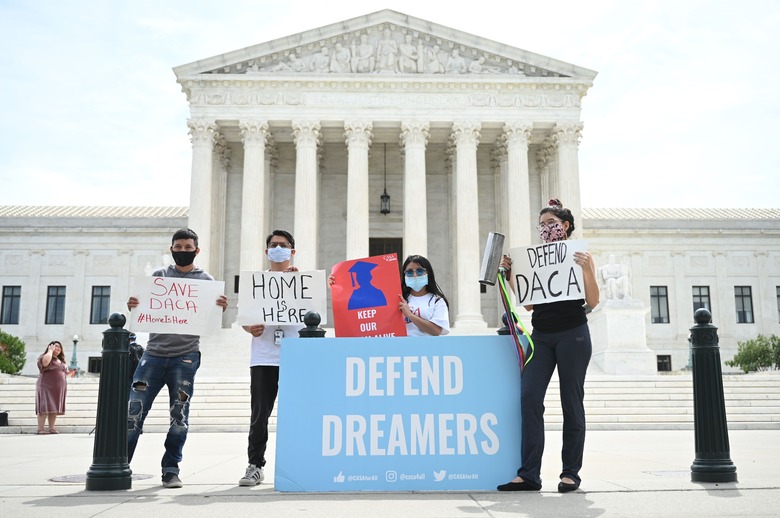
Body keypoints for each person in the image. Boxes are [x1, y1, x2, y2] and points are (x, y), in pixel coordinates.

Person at [497, 198, 599, 493]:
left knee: (571, 403)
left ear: (565, 226)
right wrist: (512, 274)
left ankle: (570, 473)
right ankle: (529, 474)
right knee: (529, 399)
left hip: (574, 334)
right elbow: (529, 304)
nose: (545, 229)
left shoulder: (581, 255)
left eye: (550, 224)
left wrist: (587, 270)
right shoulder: (536, 257)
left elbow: (593, 301)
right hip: (541, 336)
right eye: (541, 225)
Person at [126, 228, 228, 489]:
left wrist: (219, 308)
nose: (183, 251)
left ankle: (171, 469)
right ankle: (121, 464)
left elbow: (209, 319)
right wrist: (135, 306)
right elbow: (145, 307)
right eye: (178, 247)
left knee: (179, 418)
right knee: (133, 413)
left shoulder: (206, 280)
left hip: (185, 358)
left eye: (187, 247)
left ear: (197, 249)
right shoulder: (159, 277)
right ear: (171, 249)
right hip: (153, 355)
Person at [238, 229, 305, 486]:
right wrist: (249, 327)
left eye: (284, 245)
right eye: (274, 245)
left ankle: (299, 463)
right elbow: (245, 318)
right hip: (264, 357)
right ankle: (255, 465)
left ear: (293, 251)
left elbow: (315, 316)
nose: (279, 249)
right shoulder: (256, 283)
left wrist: (302, 285)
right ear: (267, 251)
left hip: (295, 355)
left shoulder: (302, 281)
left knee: (298, 414)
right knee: (259, 416)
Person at [398, 255, 450, 336]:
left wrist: (410, 315)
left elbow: (436, 330)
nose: (415, 275)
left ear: (428, 273)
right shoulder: (399, 299)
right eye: (410, 272)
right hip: (402, 347)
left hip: (427, 347)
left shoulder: (437, 301)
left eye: (419, 271)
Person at [35, 340, 68, 434]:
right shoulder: (45, 356)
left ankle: (51, 428)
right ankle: (41, 429)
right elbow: (45, 363)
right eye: (56, 346)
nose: (58, 348)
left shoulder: (60, 360)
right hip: (46, 386)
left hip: (57, 388)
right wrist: (50, 351)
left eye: (59, 347)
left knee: (54, 407)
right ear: (50, 346)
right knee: (44, 406)